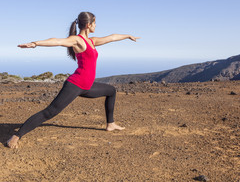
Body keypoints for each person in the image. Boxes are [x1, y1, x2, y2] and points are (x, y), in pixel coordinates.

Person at [7, 12, 140, 148]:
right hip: (75, 85)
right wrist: (35, 43)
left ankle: (110, 124)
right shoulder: (77, 40)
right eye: (94, 23)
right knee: (50, 112)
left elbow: (111, 37)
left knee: (111, 91)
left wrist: (128, 36)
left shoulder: (92, 41)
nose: (96, 26)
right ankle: (16, 136)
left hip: (87, 86)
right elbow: (57, 41)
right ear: (88, 25)